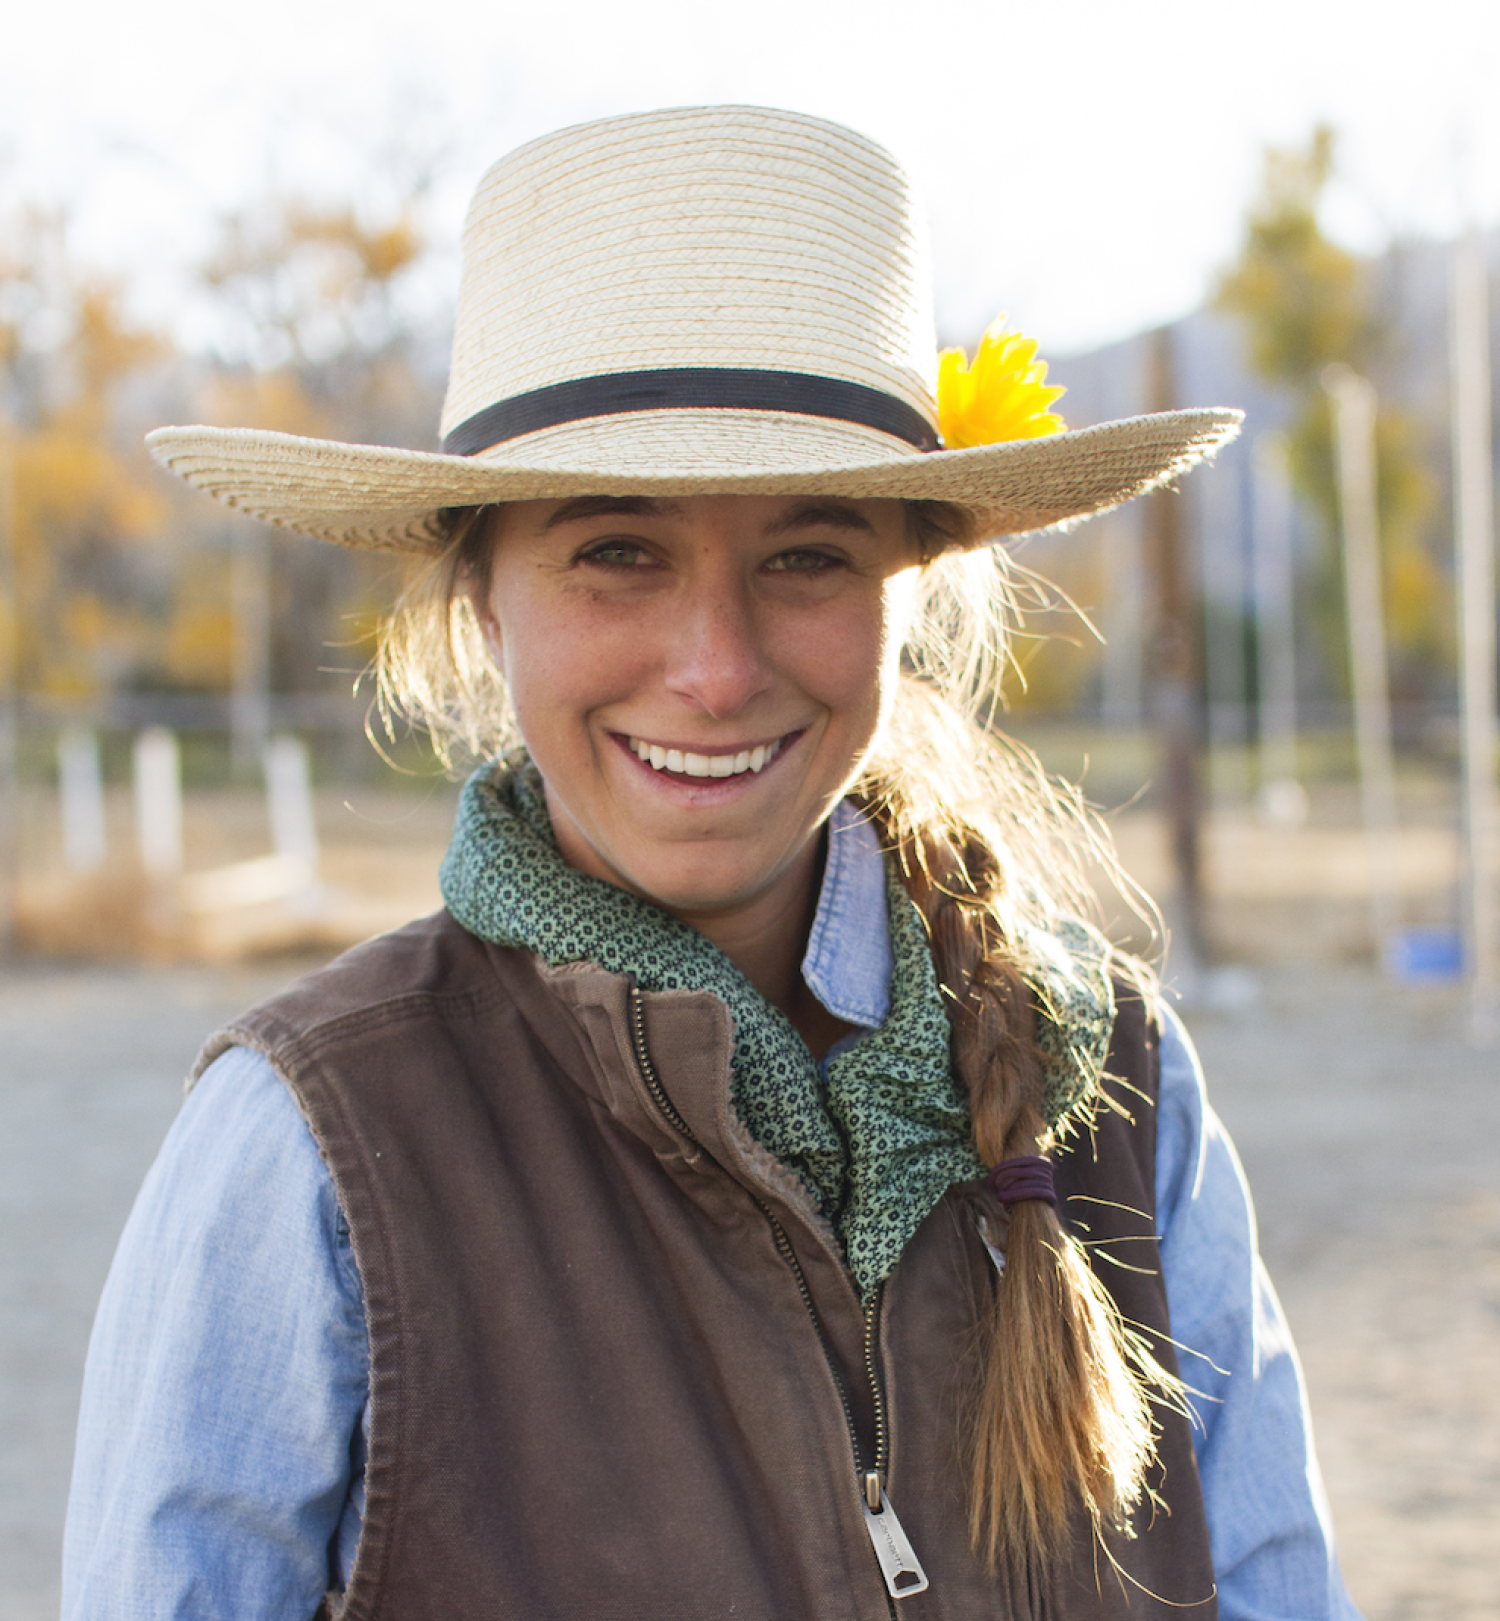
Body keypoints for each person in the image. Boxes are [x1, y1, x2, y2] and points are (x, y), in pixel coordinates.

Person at [63, 106, 1361, 1620]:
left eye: (806, 557)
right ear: (485, 604)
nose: (719, 667)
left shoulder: (1119, 1085)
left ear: (907, 596)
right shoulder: (313, 1143)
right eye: (619, 553)